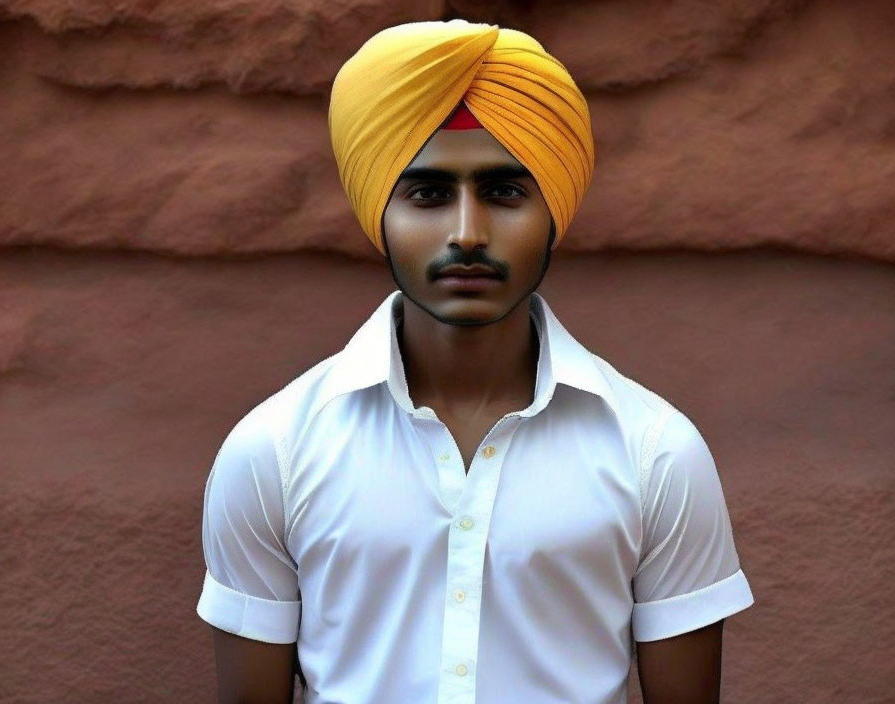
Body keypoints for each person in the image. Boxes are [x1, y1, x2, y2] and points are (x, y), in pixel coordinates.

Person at [196, 19, 754, 704]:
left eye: (504, 193)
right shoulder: (271, 452)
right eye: (428, 194)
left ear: (555, 208)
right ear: (379, 210)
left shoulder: (657, 454)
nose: (467, 233)